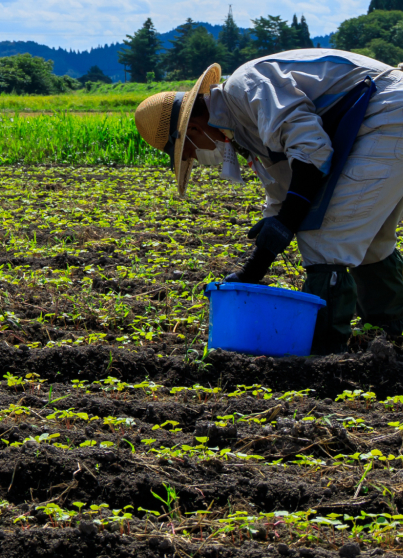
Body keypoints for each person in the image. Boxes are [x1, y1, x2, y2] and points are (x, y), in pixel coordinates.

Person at [134, 49, 403, 354]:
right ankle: (391, 336)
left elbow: (311, 150)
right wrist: (252, 270)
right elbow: (284, 189)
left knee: (326, 240)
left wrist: (286, 222)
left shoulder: (245, 87)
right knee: (371, 242)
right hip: (382, 119)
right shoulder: (240, 127)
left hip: (389, 112)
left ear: (192, 130)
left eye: (188, 152)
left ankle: (326, 357)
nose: (195, 157)